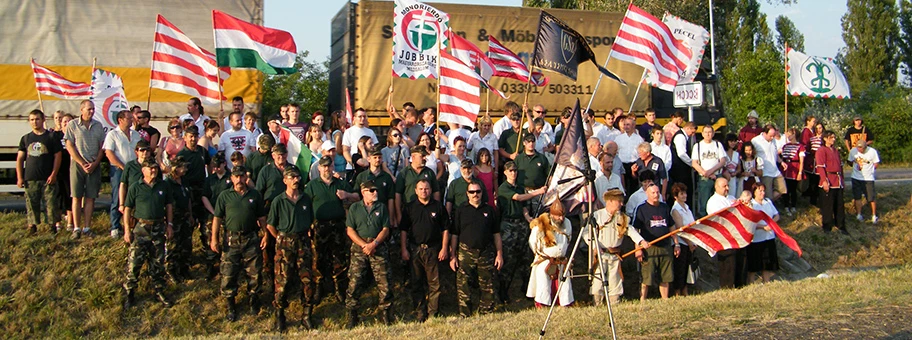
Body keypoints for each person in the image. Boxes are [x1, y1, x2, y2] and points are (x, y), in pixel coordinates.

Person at [210, 165, 267, 322]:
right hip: (231, 240)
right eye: (236, 177)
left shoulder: (254, 195)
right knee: (228, 273)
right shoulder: (224, 196)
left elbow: (262, 218)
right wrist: (214, 238)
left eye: (242, 176)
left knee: (254, 272)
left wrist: (265, 235)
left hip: (251, 238)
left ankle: (253, 301)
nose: (239, 180)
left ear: (245, 178)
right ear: (232, 178)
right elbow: (217, 218)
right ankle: (231, 305)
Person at [266, 167, 316, 331]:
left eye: (297, 177)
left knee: (307, 279)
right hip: (285, 242)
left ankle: (307, 315)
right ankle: (280, 315)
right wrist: (280, 239)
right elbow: (270, 225)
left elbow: (310, 220)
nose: (295, 180)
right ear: (285, 180)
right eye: (291, 177)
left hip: (303, 241)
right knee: (282, 281)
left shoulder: (306, 199)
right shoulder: (278, 201)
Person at [304, 156, 359, 303]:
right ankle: (319, 289)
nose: (327, 169)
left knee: (339, 257)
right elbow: (305, 206)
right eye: (324, 166)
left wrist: (346, 195)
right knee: (318, 258)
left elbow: (357, 196)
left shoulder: (340, 184)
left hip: (338, 226)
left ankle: (339, 289)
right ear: (319, 168)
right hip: (319, 226)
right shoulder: (312, 186)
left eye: (329, 166)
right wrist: (308, 224)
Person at [122, 159, 174, 309]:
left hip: (158, 227)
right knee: (134, 263)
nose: (153, 171)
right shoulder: (135, 187)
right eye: (150, 168)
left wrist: (169, 224)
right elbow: (127, 209)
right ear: (143, 170)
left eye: (155, 168)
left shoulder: (163, 186)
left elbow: (168, 206)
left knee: (158, 262)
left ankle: (159, 291)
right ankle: (130, 293)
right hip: (141, 229)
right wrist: (127, 229)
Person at [584, 189, 648, 305]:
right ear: (610, 201)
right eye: (619, 201)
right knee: (598, 280)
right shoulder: (597, 216)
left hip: (615, 255)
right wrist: (594, 246)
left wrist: (641, 241)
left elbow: (631, 231)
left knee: (615, 281)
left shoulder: (623, 218)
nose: (621, 204)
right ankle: (597, 303)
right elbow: (586, 233)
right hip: (600, 254)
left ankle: (614, 303)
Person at [344, 180, 393, 328]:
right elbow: (350, 230)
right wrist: (364, 245)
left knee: (384, 281)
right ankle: (352, 315)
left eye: (376, 190)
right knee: (354, 281)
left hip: (378, 246)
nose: (375, 193)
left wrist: (374, 244)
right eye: (371, 191)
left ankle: (386, 314)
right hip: (360, 247)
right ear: (363, 192)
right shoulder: (355, 208)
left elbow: (385, 229)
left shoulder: (381, 207)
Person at [450, 182, 503, 317]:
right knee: (463, 284)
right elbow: (455, 233)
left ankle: (486, 312)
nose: (475, 195)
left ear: (482, 193)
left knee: (487, 283)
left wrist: (499, 254)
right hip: (465, 251)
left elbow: (496, 234)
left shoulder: (490, 210)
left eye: (478, 192)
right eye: (472, 192)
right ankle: (465, 313)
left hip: (486, 251)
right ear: (467, 194)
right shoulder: (461, 210)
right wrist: (453, 256)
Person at [399, 179, 449, 322]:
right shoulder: (409, 207)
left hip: (433, 249)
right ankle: (420, 312)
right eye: (421, 189)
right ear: (415, 191)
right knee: (416, 282)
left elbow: (445, 229)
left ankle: (433, 313)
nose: (424, 191)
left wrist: (444, 248)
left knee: (435, 284)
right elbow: (403, 230)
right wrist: (404, 249)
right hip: (415, 249)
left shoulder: (438, 207)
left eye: (426, 188)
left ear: (431, 190)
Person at [64, 100, 106, 239]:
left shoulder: (98, 125)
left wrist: (95, 163)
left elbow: (102, 147)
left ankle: (87, 227)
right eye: (89, 109)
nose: (91, 111)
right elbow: (70, 145)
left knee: (90, 197)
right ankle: (76, 228)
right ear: (81, 110)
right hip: (77, 164)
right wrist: (82, 163)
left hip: (94, 164)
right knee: (76, 196)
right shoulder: (73, 125)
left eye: (93, 109)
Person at [631, 182, 679, 301]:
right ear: (647, 194)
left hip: (665, 246)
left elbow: (671, 226)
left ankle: (665, 299)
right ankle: (642, 300)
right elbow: (635, 230)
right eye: (653, 193)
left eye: (657, 192)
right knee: (646, 277)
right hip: (649, 247)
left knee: (665, 276)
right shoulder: (641, 209)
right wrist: (638, 248)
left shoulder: (664, 207)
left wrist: (676, 243)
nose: (656, 195)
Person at [17, 109, 61, 234]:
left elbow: (58, 156)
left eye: (37, 119)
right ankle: (32, 226)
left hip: (48, 177)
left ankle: (52, 226)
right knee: (31, 203)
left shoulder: (51, 137)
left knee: (51, 203)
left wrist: (54, 174)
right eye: (32, 120)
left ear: (43, 120)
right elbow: (20, 159)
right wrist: (20, 177)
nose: (34, 122)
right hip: (31, 177)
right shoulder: (25, 139)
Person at [526, 202, 575, 307]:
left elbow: (568, 240)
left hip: (561, 260)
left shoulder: (567, 223)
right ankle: (543, 305)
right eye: (558, 215)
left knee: (564, 283)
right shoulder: (541, 224)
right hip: (545, 260)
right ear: (552, 214)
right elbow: (533, 242)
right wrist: (542, 255)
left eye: (562, 215)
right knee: (543, 284)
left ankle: (564, 304)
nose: (561, 218)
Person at [176, 126, 211, 270]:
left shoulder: (202, 151)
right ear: (185, 137)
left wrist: (209, 181)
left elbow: (210, 165)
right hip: (188, 193)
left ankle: (208, 255)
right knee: (187, 227)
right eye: (190, 136)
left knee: (205, 225)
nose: (193, 139)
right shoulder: (182, 155)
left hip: (202, 191)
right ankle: (186, 260)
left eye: (195, 136)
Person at [104, 110, 142, 238]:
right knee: (117, 197)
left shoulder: (136, 134)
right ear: (120, 120)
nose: (132, 120)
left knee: (134, 196)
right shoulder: (113, 135)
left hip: (135, 169)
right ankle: (115, 226)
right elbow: (109, 153)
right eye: (129, 118)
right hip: (119, 169)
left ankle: (133, 223)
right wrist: (123, 167)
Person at [705, 177, 744, 288]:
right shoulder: (713, 202)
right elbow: (718, 219)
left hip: (736, 235)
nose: (727, 188)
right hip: (724, 237)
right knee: (727, 263)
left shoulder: (731, 198)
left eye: (727, 186)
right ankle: (727, 286)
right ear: (716, 187)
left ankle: (739, 284)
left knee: (738, 262)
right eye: (724, 186)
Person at [201, 154, 231, 279]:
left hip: (227, 214)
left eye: (218, 166)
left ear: (224, 164)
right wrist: (214, 212)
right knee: (210, 240)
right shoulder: (209, 180)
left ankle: (225, 268)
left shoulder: (230, 178)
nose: (217, 169)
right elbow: (204, 196)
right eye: (214, 166)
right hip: (211, 214)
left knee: (227, 241)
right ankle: (210, 268)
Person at [163, 157, 193, 283]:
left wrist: (191, 214)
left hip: (185, 216)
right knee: (174, 246)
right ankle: (171, 270)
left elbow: (189, 199)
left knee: (186, 244)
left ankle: (184, 269)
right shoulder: (168, 183)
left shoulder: (184, 181)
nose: (185, 169)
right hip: (174, 218)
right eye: (183, 167)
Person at [395, 146, 442, 222]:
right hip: (409, 211)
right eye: (422, 156)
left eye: (425, 156)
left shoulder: (429, 172)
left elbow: (436, 192)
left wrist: (436, 210)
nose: (424, 159)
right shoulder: (404, 173)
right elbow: (398, 194)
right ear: (413, 157)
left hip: (427, 210)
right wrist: (399, 215)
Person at [747, 183, 780, 284]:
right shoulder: (751, 204)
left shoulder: (768, 202)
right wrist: (762, 227)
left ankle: (767, 281)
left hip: (769, 236)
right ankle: (751, 282)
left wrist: (772, 223)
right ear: (754, 192)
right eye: (760, 191)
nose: (762, 193)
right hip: (757, 237)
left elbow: (776, 215)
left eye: (763, 191)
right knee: (754, 261)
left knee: (767, 261)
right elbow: (749, 221)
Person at [691, 125, 727, 217]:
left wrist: (711, 171)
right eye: (706, 132)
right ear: (702, 134)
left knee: (721, 201)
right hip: (704, 178)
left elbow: (722, 161)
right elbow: (694, 163)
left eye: (710, 132)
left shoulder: (718, 145)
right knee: (704, 203)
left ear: (713, 133)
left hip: (717, 176)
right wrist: (705, 173)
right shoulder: (697, 146)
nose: (708, 134)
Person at [668, 183, 696, 296]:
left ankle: (685, 290)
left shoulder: (687, 208)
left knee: (687, 269)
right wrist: (689, 243)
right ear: (676, 196)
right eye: (681, 193)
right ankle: (677, 292)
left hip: (690, 241)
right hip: (682, 243)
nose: (684, 195)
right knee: (679, 268)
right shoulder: (675, 210)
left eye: (685, 193)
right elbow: (680, 229)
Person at [514, 133, 550, 213]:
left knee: (539, 215)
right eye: (528, 141)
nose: (531, 144)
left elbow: (549, 175)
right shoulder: (518, 159)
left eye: (533, 141)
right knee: (524, 214)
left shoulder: (542, 158)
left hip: (539, 191)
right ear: (524, 143)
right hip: (523, 191)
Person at [752, 125, 787, 202]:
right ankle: (768, 207)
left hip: (775, 170)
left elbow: (775, 153)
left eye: (773, 136)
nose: (772, 138)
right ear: (764, 133)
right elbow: (751, 155)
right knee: (767, 195)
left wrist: (781, 162)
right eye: (770, 136)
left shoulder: (773, 141)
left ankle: (769, 203)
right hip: (765, 172)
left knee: (782, 189)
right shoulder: (755, 141)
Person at [52, 111, 74, 232]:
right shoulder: (55, 136)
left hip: (71, 170)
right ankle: (57, 222)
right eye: (64, 121)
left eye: (69, 121)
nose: (66, 123)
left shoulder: (76, 135)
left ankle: (70, 222)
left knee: (69, 196)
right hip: (59, 170)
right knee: (57, 196)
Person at [849, 139, 880, 224]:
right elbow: (850, 161)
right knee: (857, 197)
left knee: (871, 197)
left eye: (861, 148)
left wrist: (872, 170)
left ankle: (874, 215)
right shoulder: (853, 151)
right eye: (858, 148)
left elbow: (876, 162)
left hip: (868, 178)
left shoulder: (872, 152)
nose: (859, 150)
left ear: (865, 147)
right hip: (856, 177)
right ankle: (859, 214)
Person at [615, 115, 646, 195]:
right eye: (624, 124)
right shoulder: (618, 138)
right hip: (622, 164)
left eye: (628, 125)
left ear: (633, 125)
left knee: (634, 186)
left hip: (634, 164)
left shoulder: (639, 139)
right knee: (623, 185)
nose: (626, 127)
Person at [670, 122, 696, 207]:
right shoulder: (680, 137)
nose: (692, 135)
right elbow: (681, 154)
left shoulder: (683, 136)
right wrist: (692, 163)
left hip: (682, 170)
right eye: (692, 132)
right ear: (688, 128)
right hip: (679, 170)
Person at [780, 128, 806, 215]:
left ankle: (793, 206)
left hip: (795, 168)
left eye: (790, 134)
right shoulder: (785, 146)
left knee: (793, 189)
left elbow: (801, 161)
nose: (788, 135)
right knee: (785, 189)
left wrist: (800, 172)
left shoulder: (800, 146)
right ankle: (786, 206)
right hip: (785, 169)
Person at [722, 134, 743, 204]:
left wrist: (735, 173)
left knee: (733, 197)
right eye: (731, 141)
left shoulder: (737, 154)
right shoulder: (723, 153)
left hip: (733, 178)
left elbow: (739, 168)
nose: (733, 143)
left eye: (735, 141)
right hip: (724, 178)